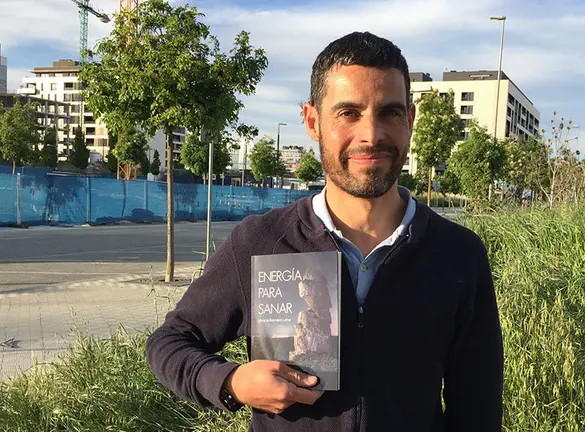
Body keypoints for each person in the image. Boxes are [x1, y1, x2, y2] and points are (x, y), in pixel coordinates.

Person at [146, 31, 504, 432]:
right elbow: (171, 342)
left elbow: (478, 407)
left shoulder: (458, 254)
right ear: (313, 121)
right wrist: (231, 382)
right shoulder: (260, 242)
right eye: (348, 113)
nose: (371, 135)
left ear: (411, 119)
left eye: (389, 112)